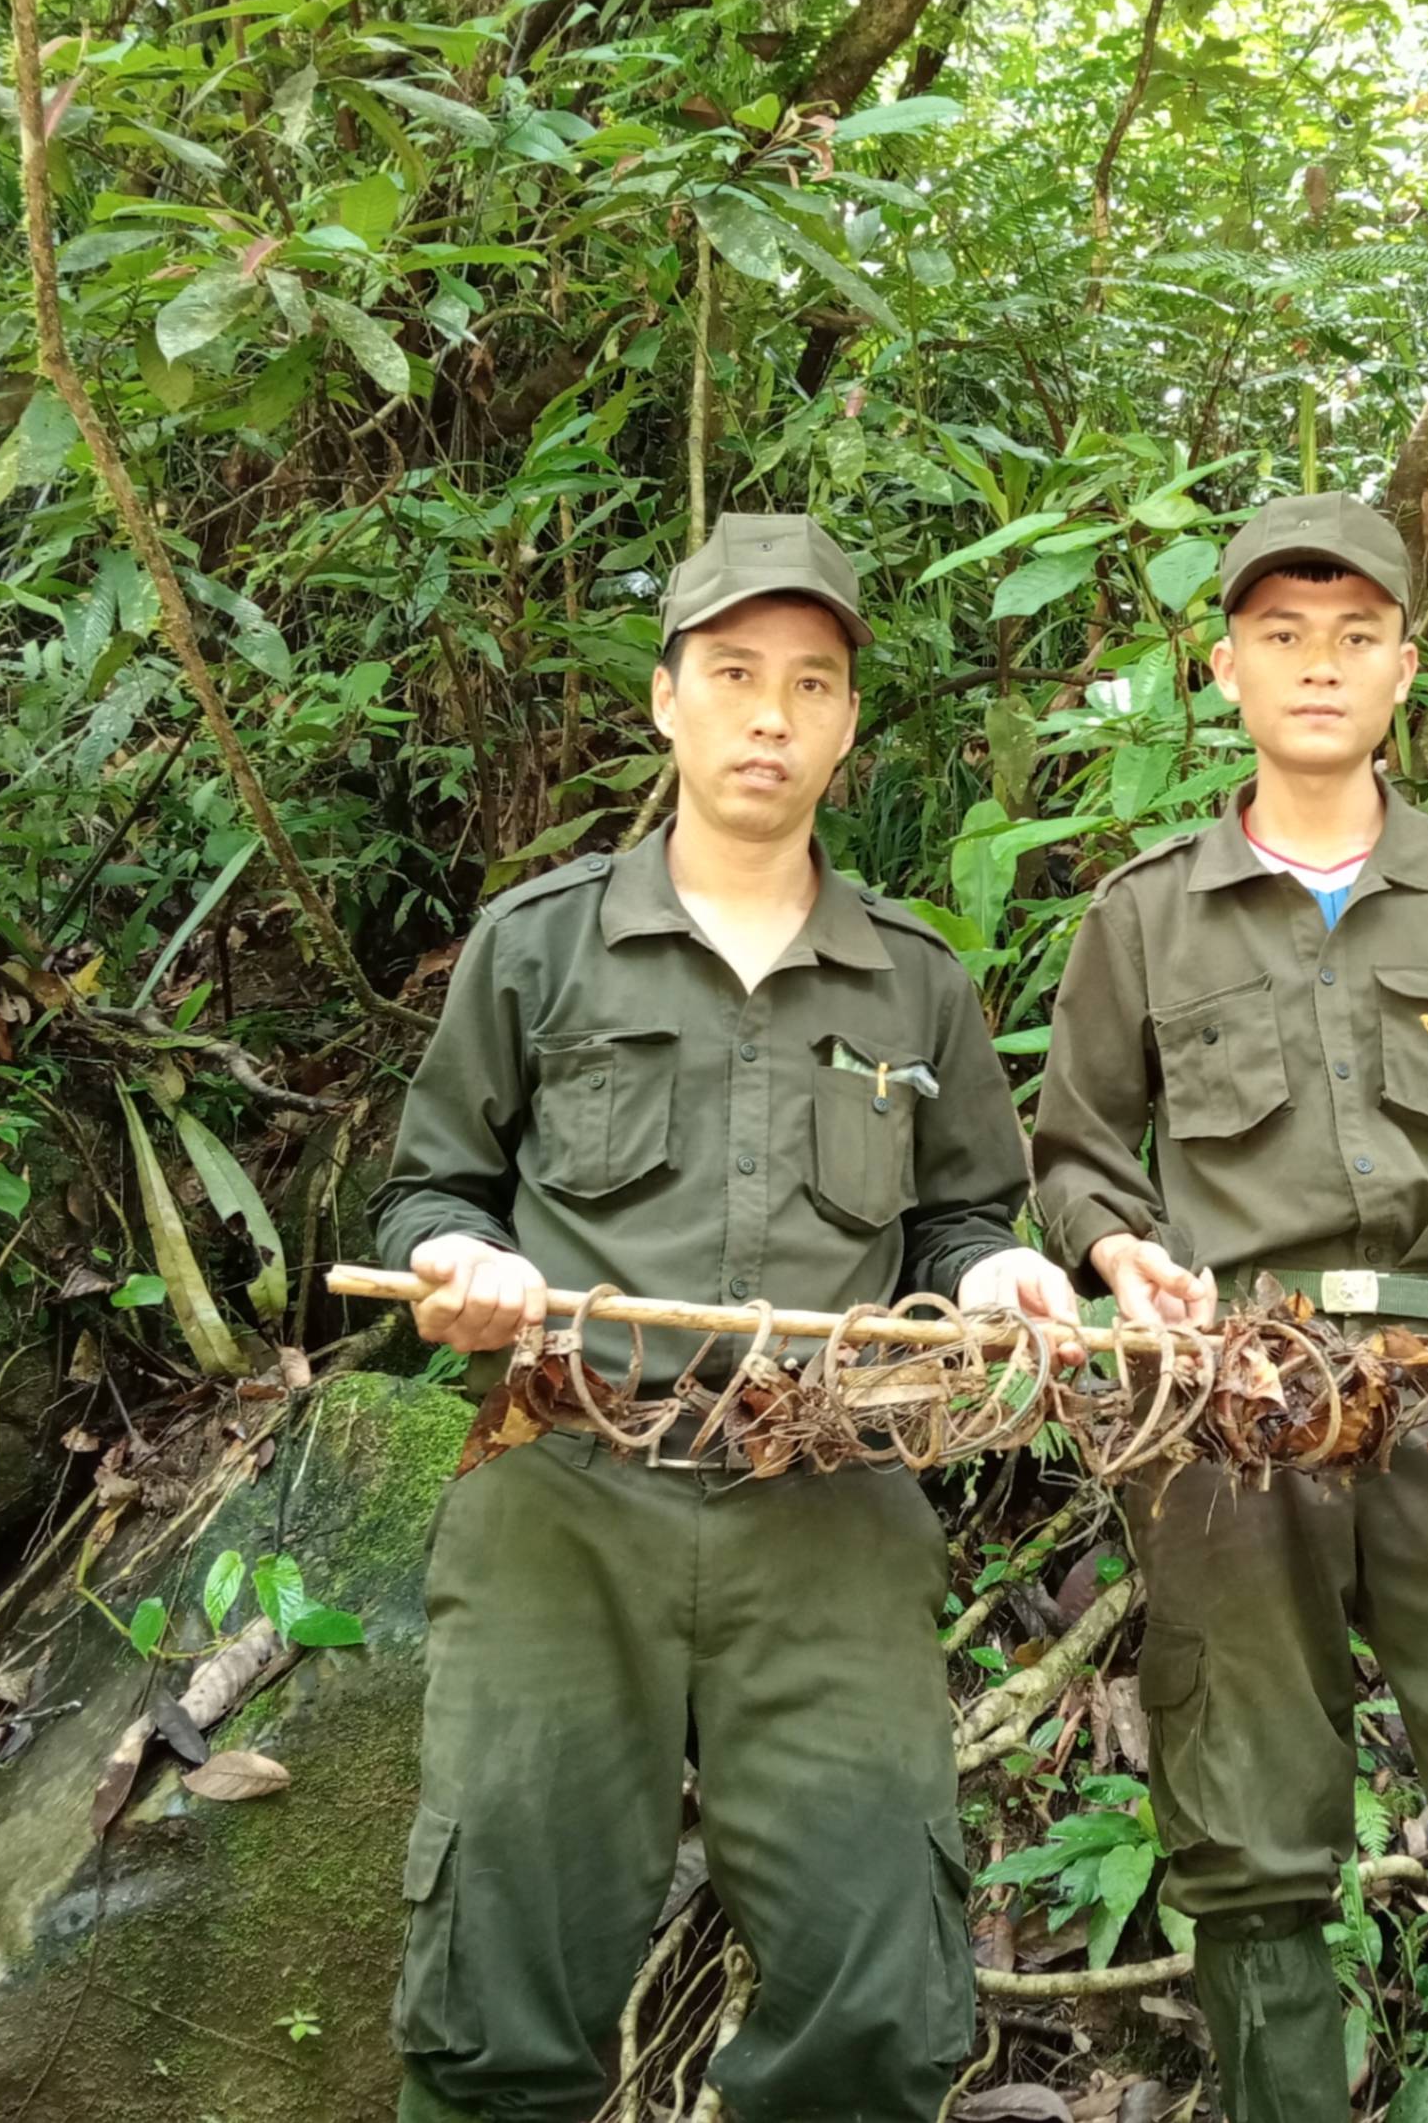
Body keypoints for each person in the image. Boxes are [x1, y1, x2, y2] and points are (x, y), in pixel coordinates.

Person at [370, 511, 1081, 2123]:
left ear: (844, 724)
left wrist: (992, 1276)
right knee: (497, 1997)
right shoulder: (538, 946)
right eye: (738, 674)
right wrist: (459, 1274)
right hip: (566, 1492)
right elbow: (428, 1193)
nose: (773, 714)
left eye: (813, 684)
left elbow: (968, 1212)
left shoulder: (915, 981)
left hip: (829, 1501)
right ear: (667, 699)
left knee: (878, 2000)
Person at [1029, 491, 1428, 2121]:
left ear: (1406, 668)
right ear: (1227, 668)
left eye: (1353, 638)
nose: (1317, 667)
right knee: (1253, 1861)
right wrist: (1118, 1252)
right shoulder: (1144, 915)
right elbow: (1071, 1155)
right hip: (1233, 1402)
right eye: (1280, 637)